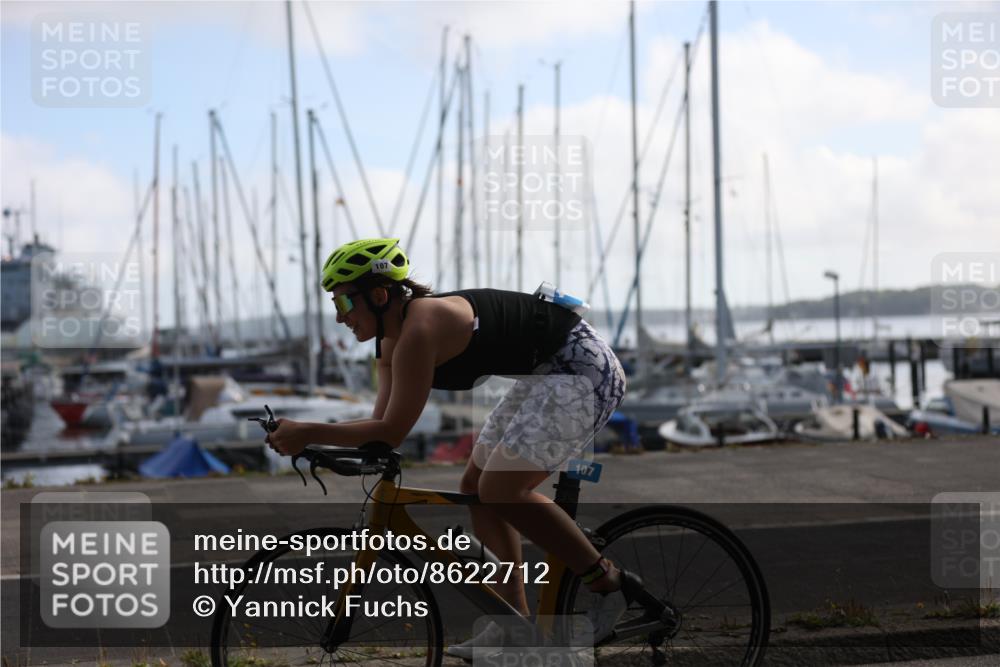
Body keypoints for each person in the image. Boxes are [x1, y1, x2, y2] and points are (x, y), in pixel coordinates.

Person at [267, 238, 639, 654]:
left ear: (377, 295)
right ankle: (511, 625)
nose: (339, 317)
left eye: (345, 304)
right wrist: (320, 446)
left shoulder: (421, 330)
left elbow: (390, 432)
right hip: (545, 373)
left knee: (501, 489)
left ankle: (608, 583)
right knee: (474, 487)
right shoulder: (389, 342)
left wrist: (309, 432)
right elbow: (379, 428)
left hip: (582, 370)